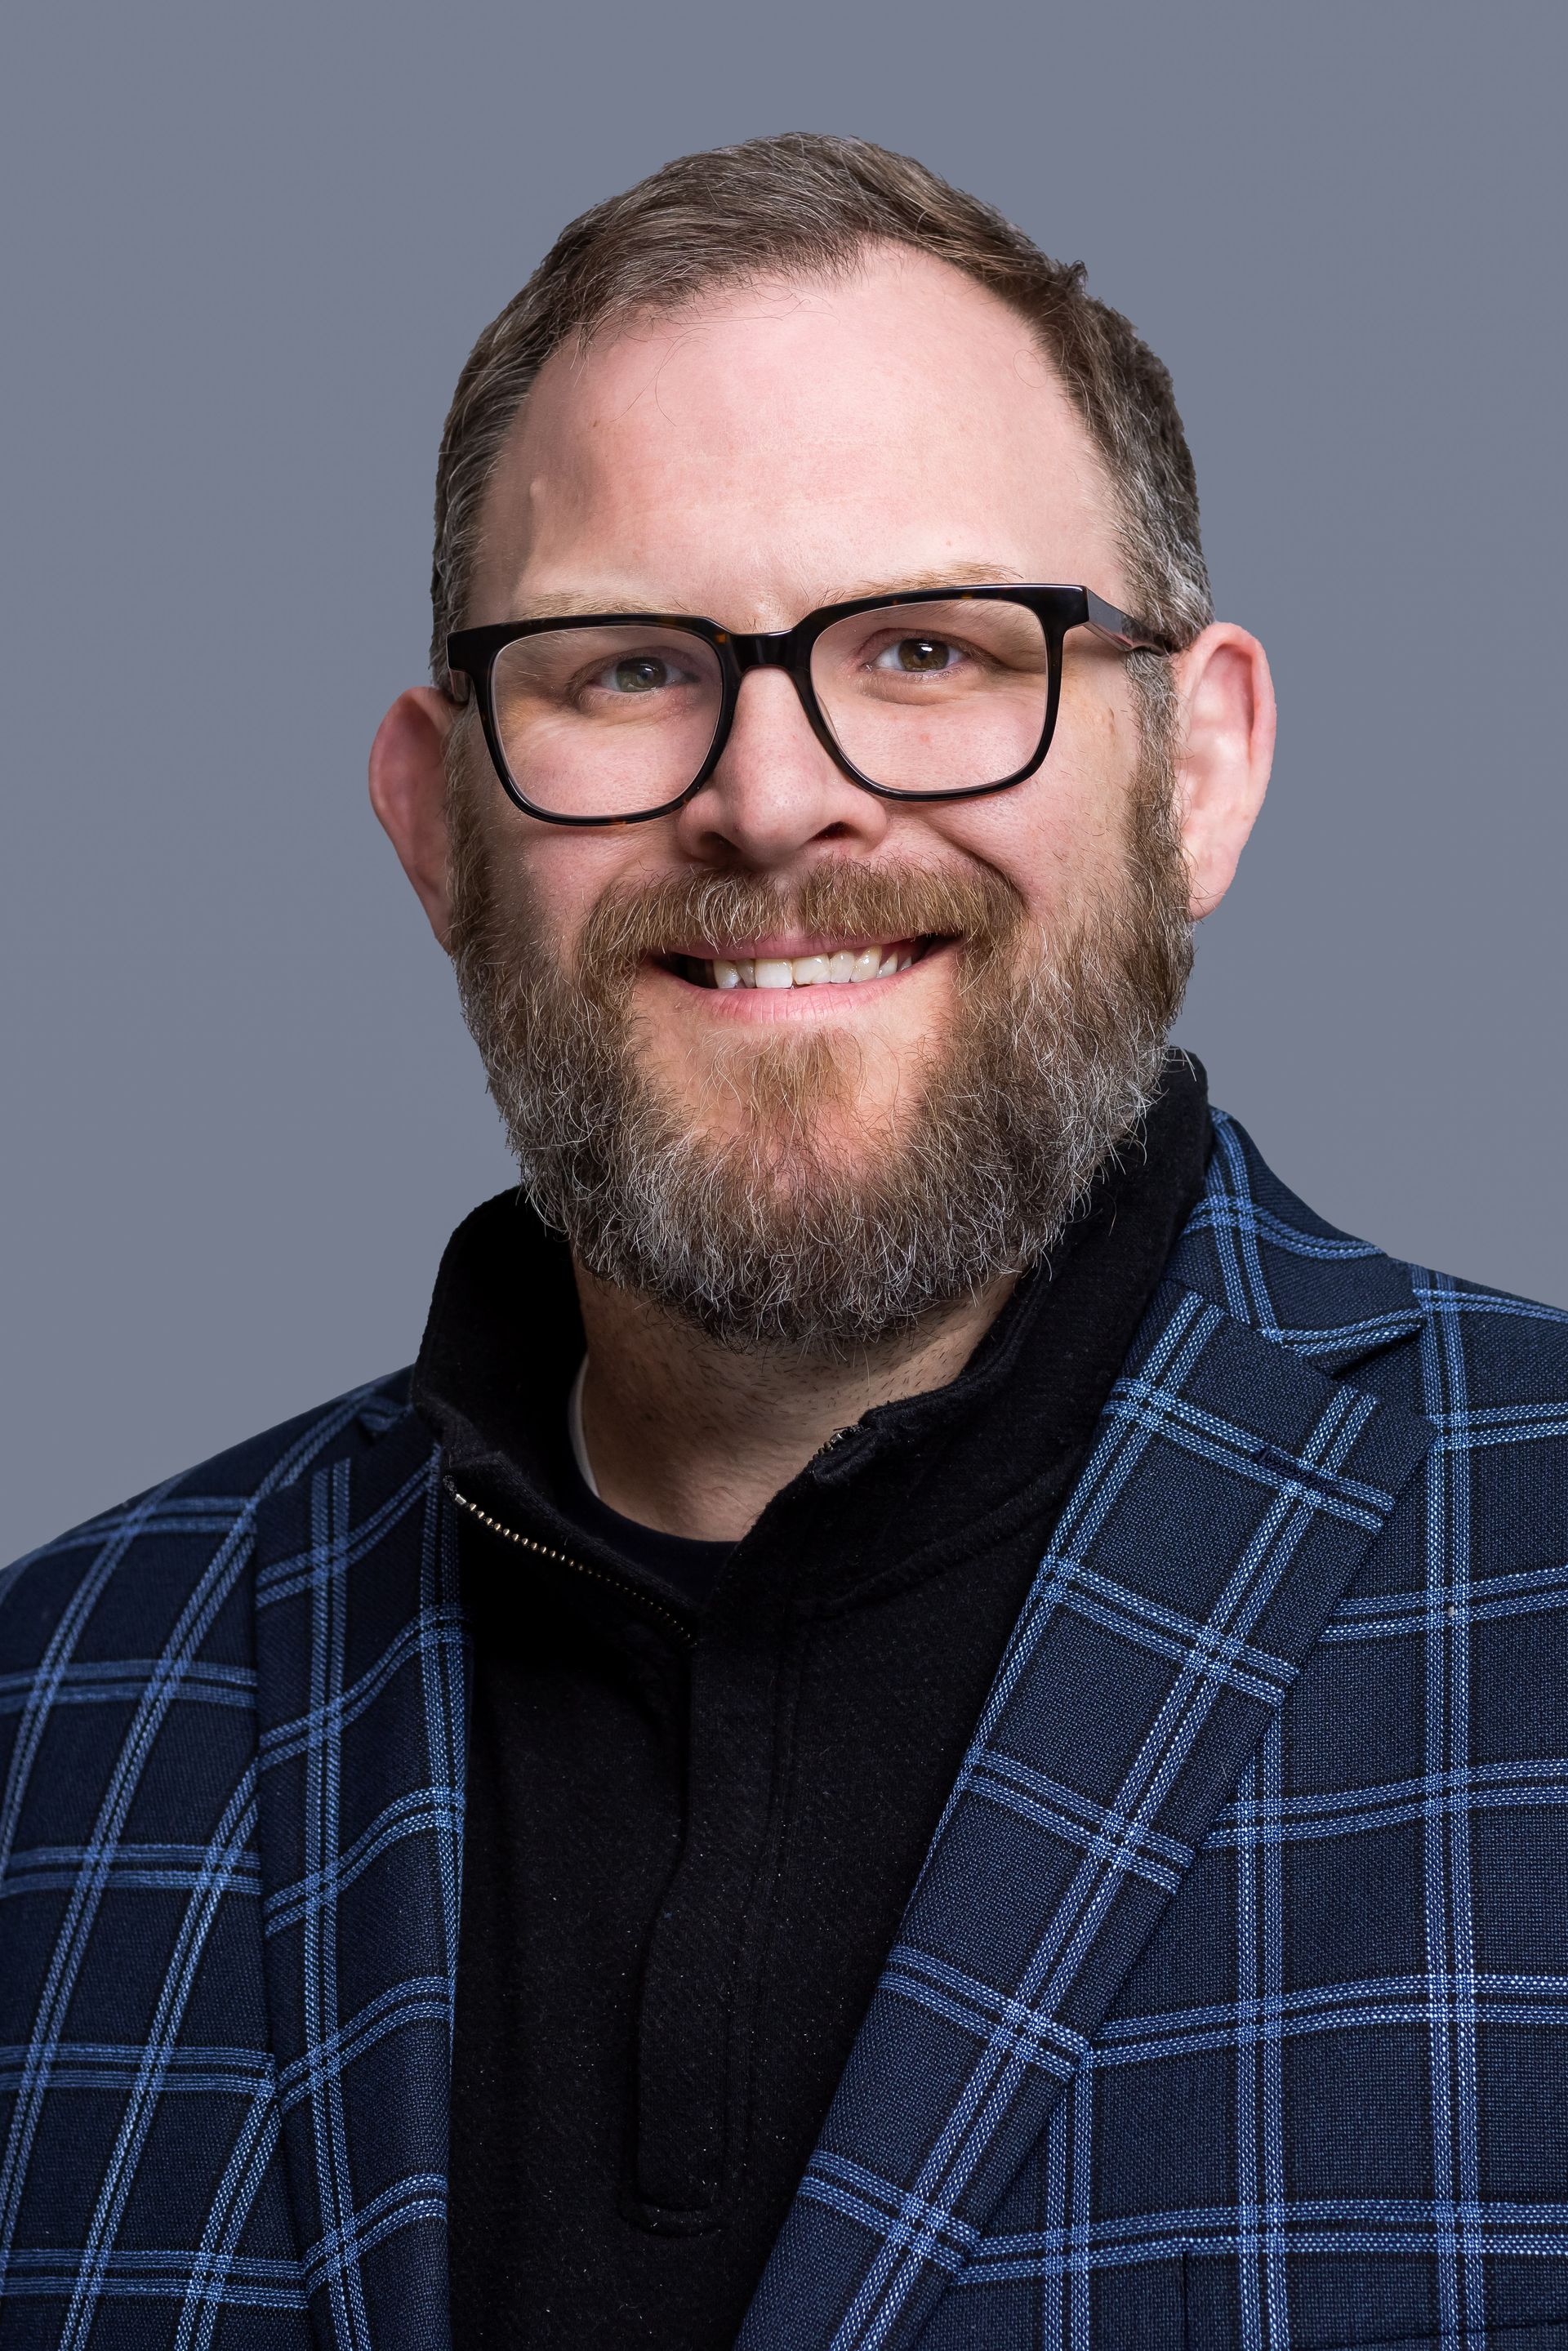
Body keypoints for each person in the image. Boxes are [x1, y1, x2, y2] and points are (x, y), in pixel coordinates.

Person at [4, 131, 1566, 2351]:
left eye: (931, 647)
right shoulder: (49, 1715)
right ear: (437, 820)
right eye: (627, 668)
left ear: (1197, 772)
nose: (768, 798)